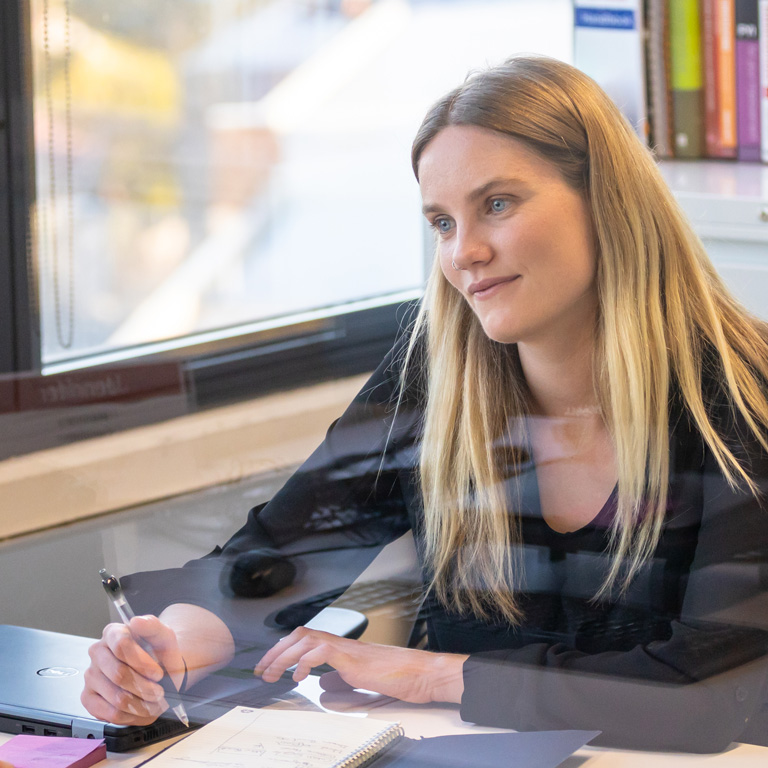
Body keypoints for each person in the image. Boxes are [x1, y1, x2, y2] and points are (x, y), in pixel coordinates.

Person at [81, 55, 768, 752]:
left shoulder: (743, 395)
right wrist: (170, 649)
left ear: (605, 200)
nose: (464, 251)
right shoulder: (432, 374)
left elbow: (705, 699)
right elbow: (274, 563)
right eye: (442, 222)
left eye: (497, 204)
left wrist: (442, 676)